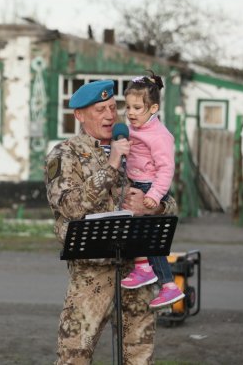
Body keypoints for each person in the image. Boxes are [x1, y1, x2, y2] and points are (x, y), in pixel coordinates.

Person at [44, 79, 178, 364]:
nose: (109, 115)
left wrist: (152, 206)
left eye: (111, 107)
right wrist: (111, 164)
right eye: (99, 110)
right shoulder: (66, 154)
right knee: (74, 356)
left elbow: (171, 203)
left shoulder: (138, 144)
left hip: (137, 273)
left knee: (140, 357)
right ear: (79, 115)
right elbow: (69, 206)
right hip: (92, 276)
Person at [119, 73, 185, 308]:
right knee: (144, 236)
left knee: (148, 238)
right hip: (137, 184)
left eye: (137, 107)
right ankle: (152, 273)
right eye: (127, 106)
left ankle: (161, 280)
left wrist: (154, 196)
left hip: (150, 187)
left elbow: (166, 170)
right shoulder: (132, 128)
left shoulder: (159, 136)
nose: (131, 112)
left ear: (153, 108)